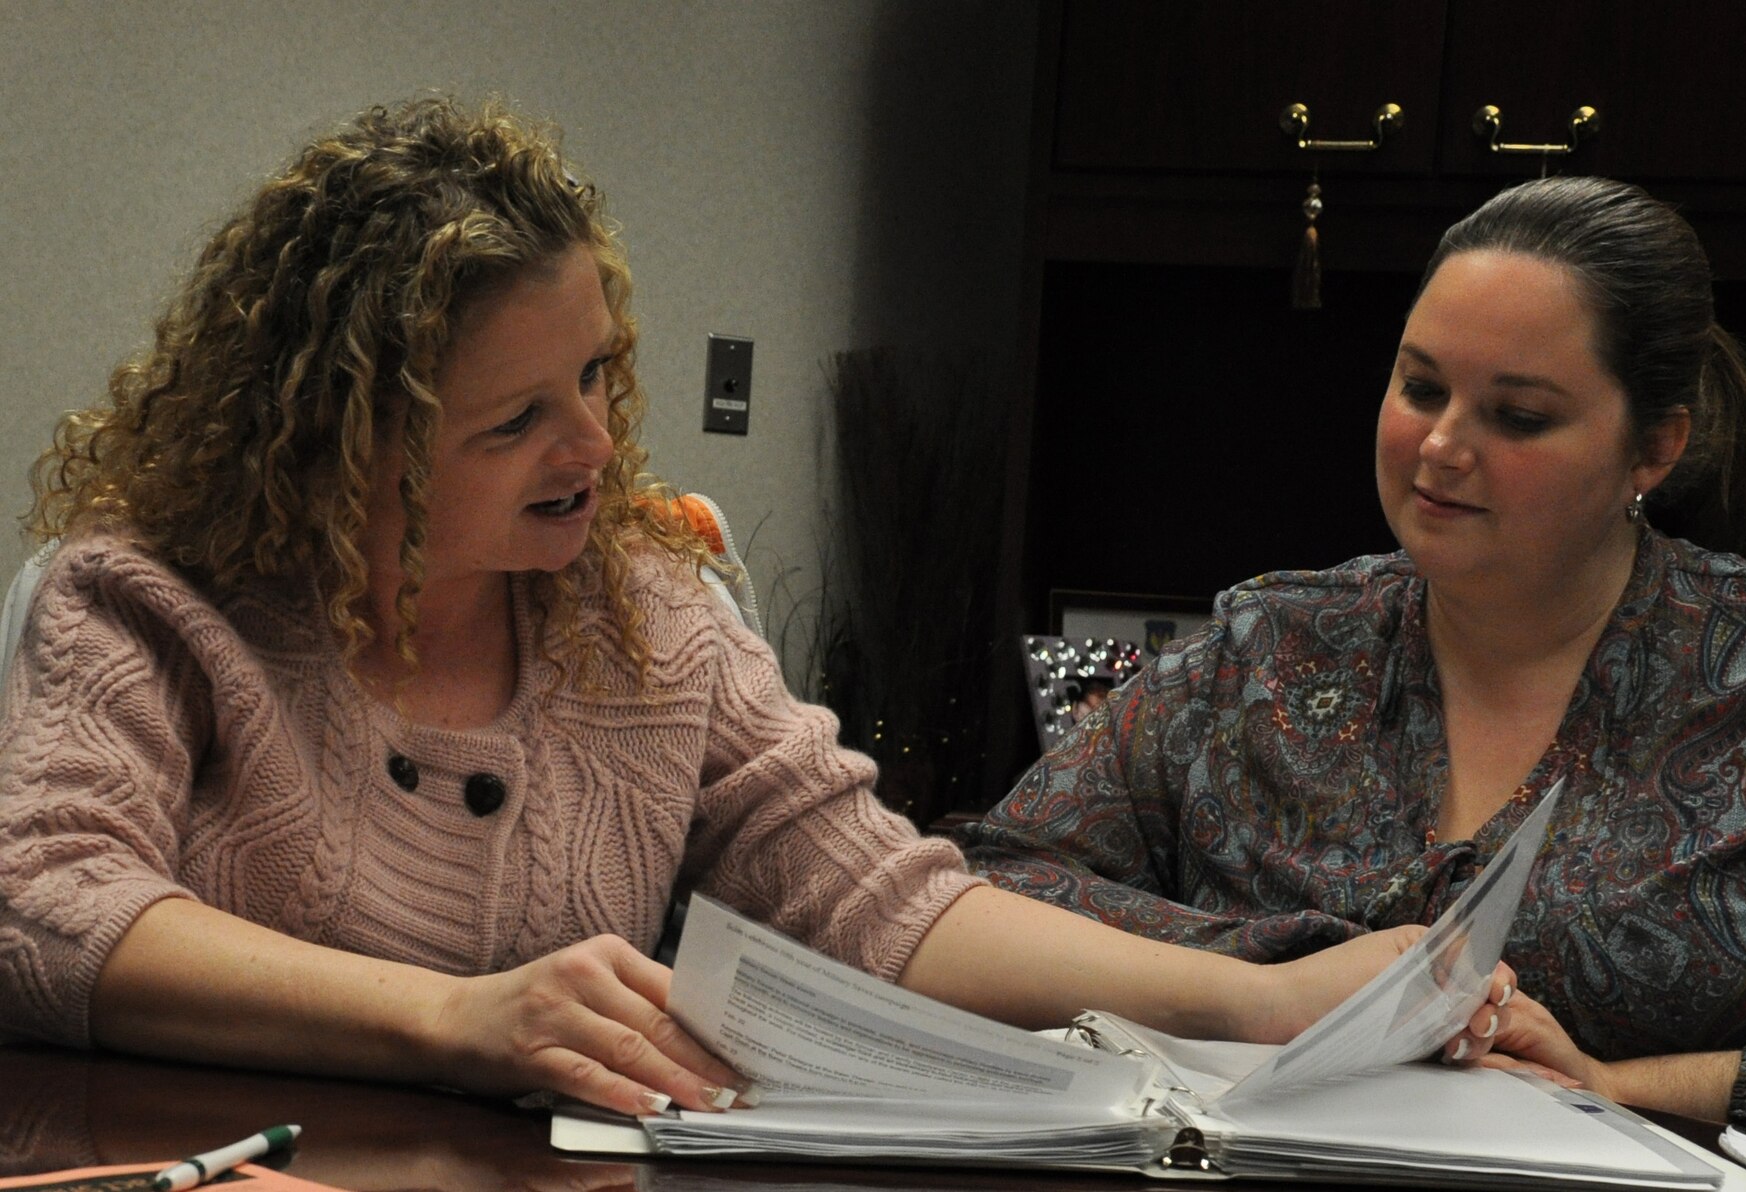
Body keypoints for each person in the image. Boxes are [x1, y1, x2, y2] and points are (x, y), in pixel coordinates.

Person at [0, 95, 1519, 1121]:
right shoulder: (143, 603)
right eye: (516, 417)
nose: (596, 444)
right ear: (352, 439)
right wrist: (448, 1022)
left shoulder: (648, 622)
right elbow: (43, 910)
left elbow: (879, 905)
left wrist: (1257, 1002)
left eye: (596, 375)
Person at [959, 175, 1746, 1154]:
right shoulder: (1265, 650)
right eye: (1419, 386)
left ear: (1653, 449)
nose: (1440, 446)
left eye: (1517, 416)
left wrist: (1623, 1080)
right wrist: (1288, 977)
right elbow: (985, 894)